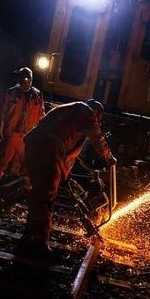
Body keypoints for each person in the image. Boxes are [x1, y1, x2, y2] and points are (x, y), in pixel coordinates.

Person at [19, 100, 117, 257]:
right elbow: (97, 137)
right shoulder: (87, 113)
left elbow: (68, 149)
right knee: (46, 196)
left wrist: (64, 173)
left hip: (32, 143)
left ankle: (29, 234)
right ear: (97, 113)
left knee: (39, 193)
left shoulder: (67, 110)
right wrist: (109, 157)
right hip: (49, 148)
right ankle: (39, 242)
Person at [0, 67, 45, 186]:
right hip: (12, 132)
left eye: (27, 78)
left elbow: (41, 115)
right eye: (22, 78)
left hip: (28, 134)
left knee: (26, 162)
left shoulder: (37, 95)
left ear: (31, 79)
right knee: (4, 158)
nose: (24, 81)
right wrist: (0, 130)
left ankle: (21, 187)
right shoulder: (11, 92)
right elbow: (3, 113)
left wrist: (40, 134)